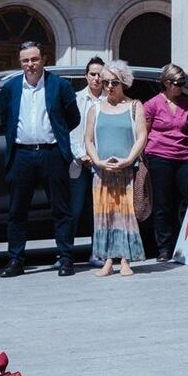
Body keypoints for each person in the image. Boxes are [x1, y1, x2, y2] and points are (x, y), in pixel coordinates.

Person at [0, 40, 82, 277]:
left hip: (51, 153)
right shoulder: (12, 87)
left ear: (43, 59)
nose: (30, 64)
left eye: (34, 59)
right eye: (25, 60)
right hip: (21, 154)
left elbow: (72, 118)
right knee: (17, 210)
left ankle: (65, 258)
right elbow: (6, 118)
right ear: (20, 62)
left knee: (61, 209)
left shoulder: (59, 86)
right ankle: (16, 260)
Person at [85, 60, 148, 277]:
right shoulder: (95, 109)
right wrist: (97, 161)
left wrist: (129, 159)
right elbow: (89, 139)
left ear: (123, 83)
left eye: (114, 82)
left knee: (125, 215)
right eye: (105, 83)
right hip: (103, 172)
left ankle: (125, 260)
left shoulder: (134, 106)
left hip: (126, 170)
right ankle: (107, 260)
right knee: (104, 216)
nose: (109, 87)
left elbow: (142, 136)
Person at [141, 64, 188, 262]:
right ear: (167, 83)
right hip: (160, 156)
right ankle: (164, 248)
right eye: (178, 83)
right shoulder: (152, 105)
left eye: (184, 83)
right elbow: (145, 132)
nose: (182, 87)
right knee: (163, 203)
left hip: (185, 156)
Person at [69, 56, 106, 266]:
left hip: (99, 163)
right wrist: (81, 154)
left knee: (98, 210)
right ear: (86, 76)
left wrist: (96, 158)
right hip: (78, 162)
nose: (96, 78)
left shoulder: (109, 101)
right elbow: (72, 132)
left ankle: (97, 253)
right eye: (92, 74)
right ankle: (66, 254)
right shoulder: (76, 99)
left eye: (100, 74)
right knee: (73, 209)